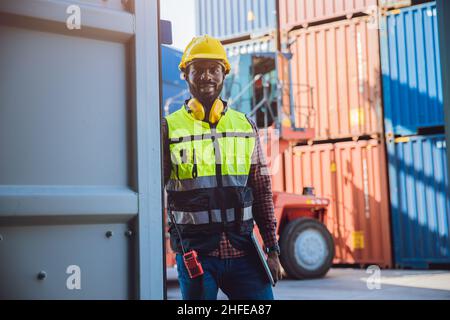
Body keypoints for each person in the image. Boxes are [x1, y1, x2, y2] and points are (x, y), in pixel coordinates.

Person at [162, 35, 282, 300]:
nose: (207, 76)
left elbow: (261, 191)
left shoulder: (244, 126)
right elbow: (151, 194)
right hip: (195, 253)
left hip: (244, 252)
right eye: (199, 69)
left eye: (214, 69)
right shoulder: (168, 129)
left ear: (224, 74)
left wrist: (272, 250)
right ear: (185, 74)